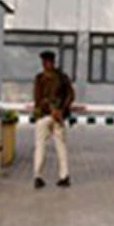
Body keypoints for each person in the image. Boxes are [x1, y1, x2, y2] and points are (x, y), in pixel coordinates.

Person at [32, 50, 74, 189]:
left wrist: (54, 111)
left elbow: (38, 99)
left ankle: (38, 176)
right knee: (61, 146)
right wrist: (61, 111)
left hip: (44, 116)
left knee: (40, 146)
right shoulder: (62, 77)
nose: (45, 64)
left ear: (44, 63)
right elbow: (71, 96)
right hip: (57, 118)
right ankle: (64, 176)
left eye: (45, 62)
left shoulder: (40, 78)